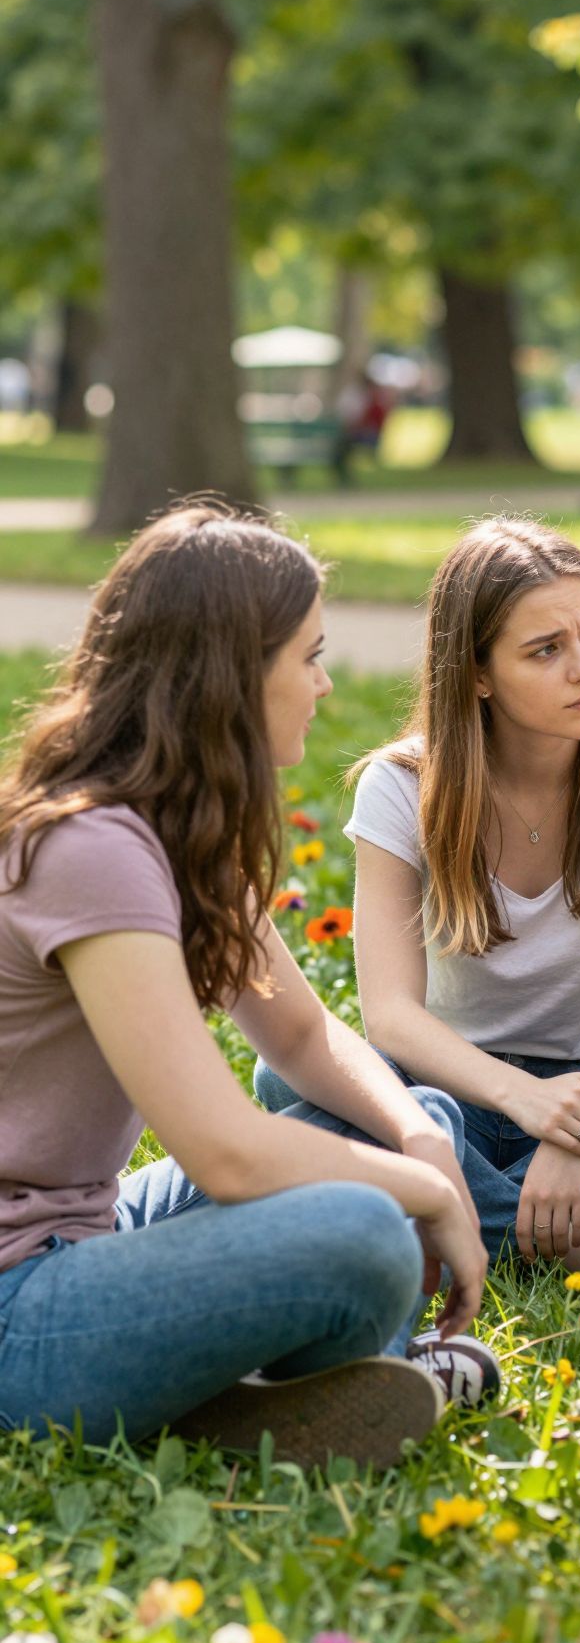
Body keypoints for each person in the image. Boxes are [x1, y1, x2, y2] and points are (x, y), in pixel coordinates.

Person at [0, 503, 492, 1472]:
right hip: (18, 1302)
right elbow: (226, 1153)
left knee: (410, 1112)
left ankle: (244, 1399)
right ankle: (284, 1396)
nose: (326, 680)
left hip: (87, 1227)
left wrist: (423, 1143)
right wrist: (425, 1190)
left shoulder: (182, 828)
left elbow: (305, 1041)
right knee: (364, 1230)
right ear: (230, 672)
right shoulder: (89, 843)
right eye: (308, 654)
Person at [256, 516, 580, 1270]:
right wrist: (521, 1099)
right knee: (284, 1073)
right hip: (449, 1092)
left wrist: (577, 1127)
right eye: (546, 650)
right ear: (476, 673)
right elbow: (393, 1018)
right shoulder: (400, 788)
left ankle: (449, 1207)